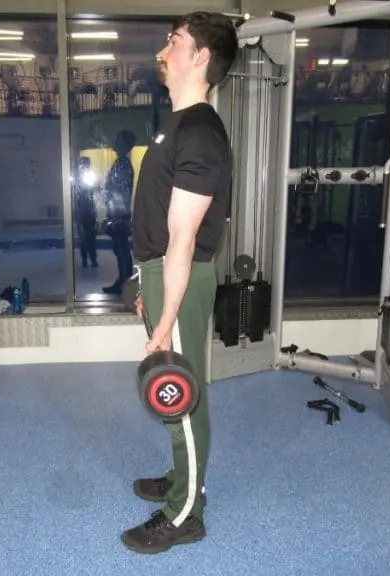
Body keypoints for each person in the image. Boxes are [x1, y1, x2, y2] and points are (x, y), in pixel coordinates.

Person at [119, 11, 238, 554]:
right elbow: (160, 229)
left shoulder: (200, 132)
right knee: (177, 391)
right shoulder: (178, 124)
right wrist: (146, 281)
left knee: (179, 396)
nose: (163, 50)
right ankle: (182, 478)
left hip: (181, 276)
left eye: (175, 41)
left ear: (202, 56)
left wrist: (166, 320)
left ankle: (185, 513)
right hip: (164, 272)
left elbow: (184, 237)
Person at [101, 130, 138, 295]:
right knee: (121, 250)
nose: (114, 142)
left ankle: (124, 283)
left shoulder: (122, 165)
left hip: (119, 214)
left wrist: (105, 194)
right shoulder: (122, 164)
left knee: (121, 250)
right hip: (119, 212)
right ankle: (123, 281)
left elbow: (117, 191)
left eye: (117, 139)